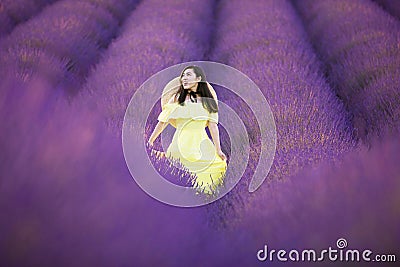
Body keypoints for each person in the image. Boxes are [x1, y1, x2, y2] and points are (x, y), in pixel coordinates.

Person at [147, 65, 227, 195]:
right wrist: (150, 141)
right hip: (180, 145)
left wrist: (218, 149)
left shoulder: (208, 102)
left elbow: (213, 127)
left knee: (216, 166)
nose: (184, 78)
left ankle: (202, 202)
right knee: (180, 178)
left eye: (188, 75)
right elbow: (163, 122)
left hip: (202, 144)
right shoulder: (176, 99)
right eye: (183, 76)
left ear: (198, 78)